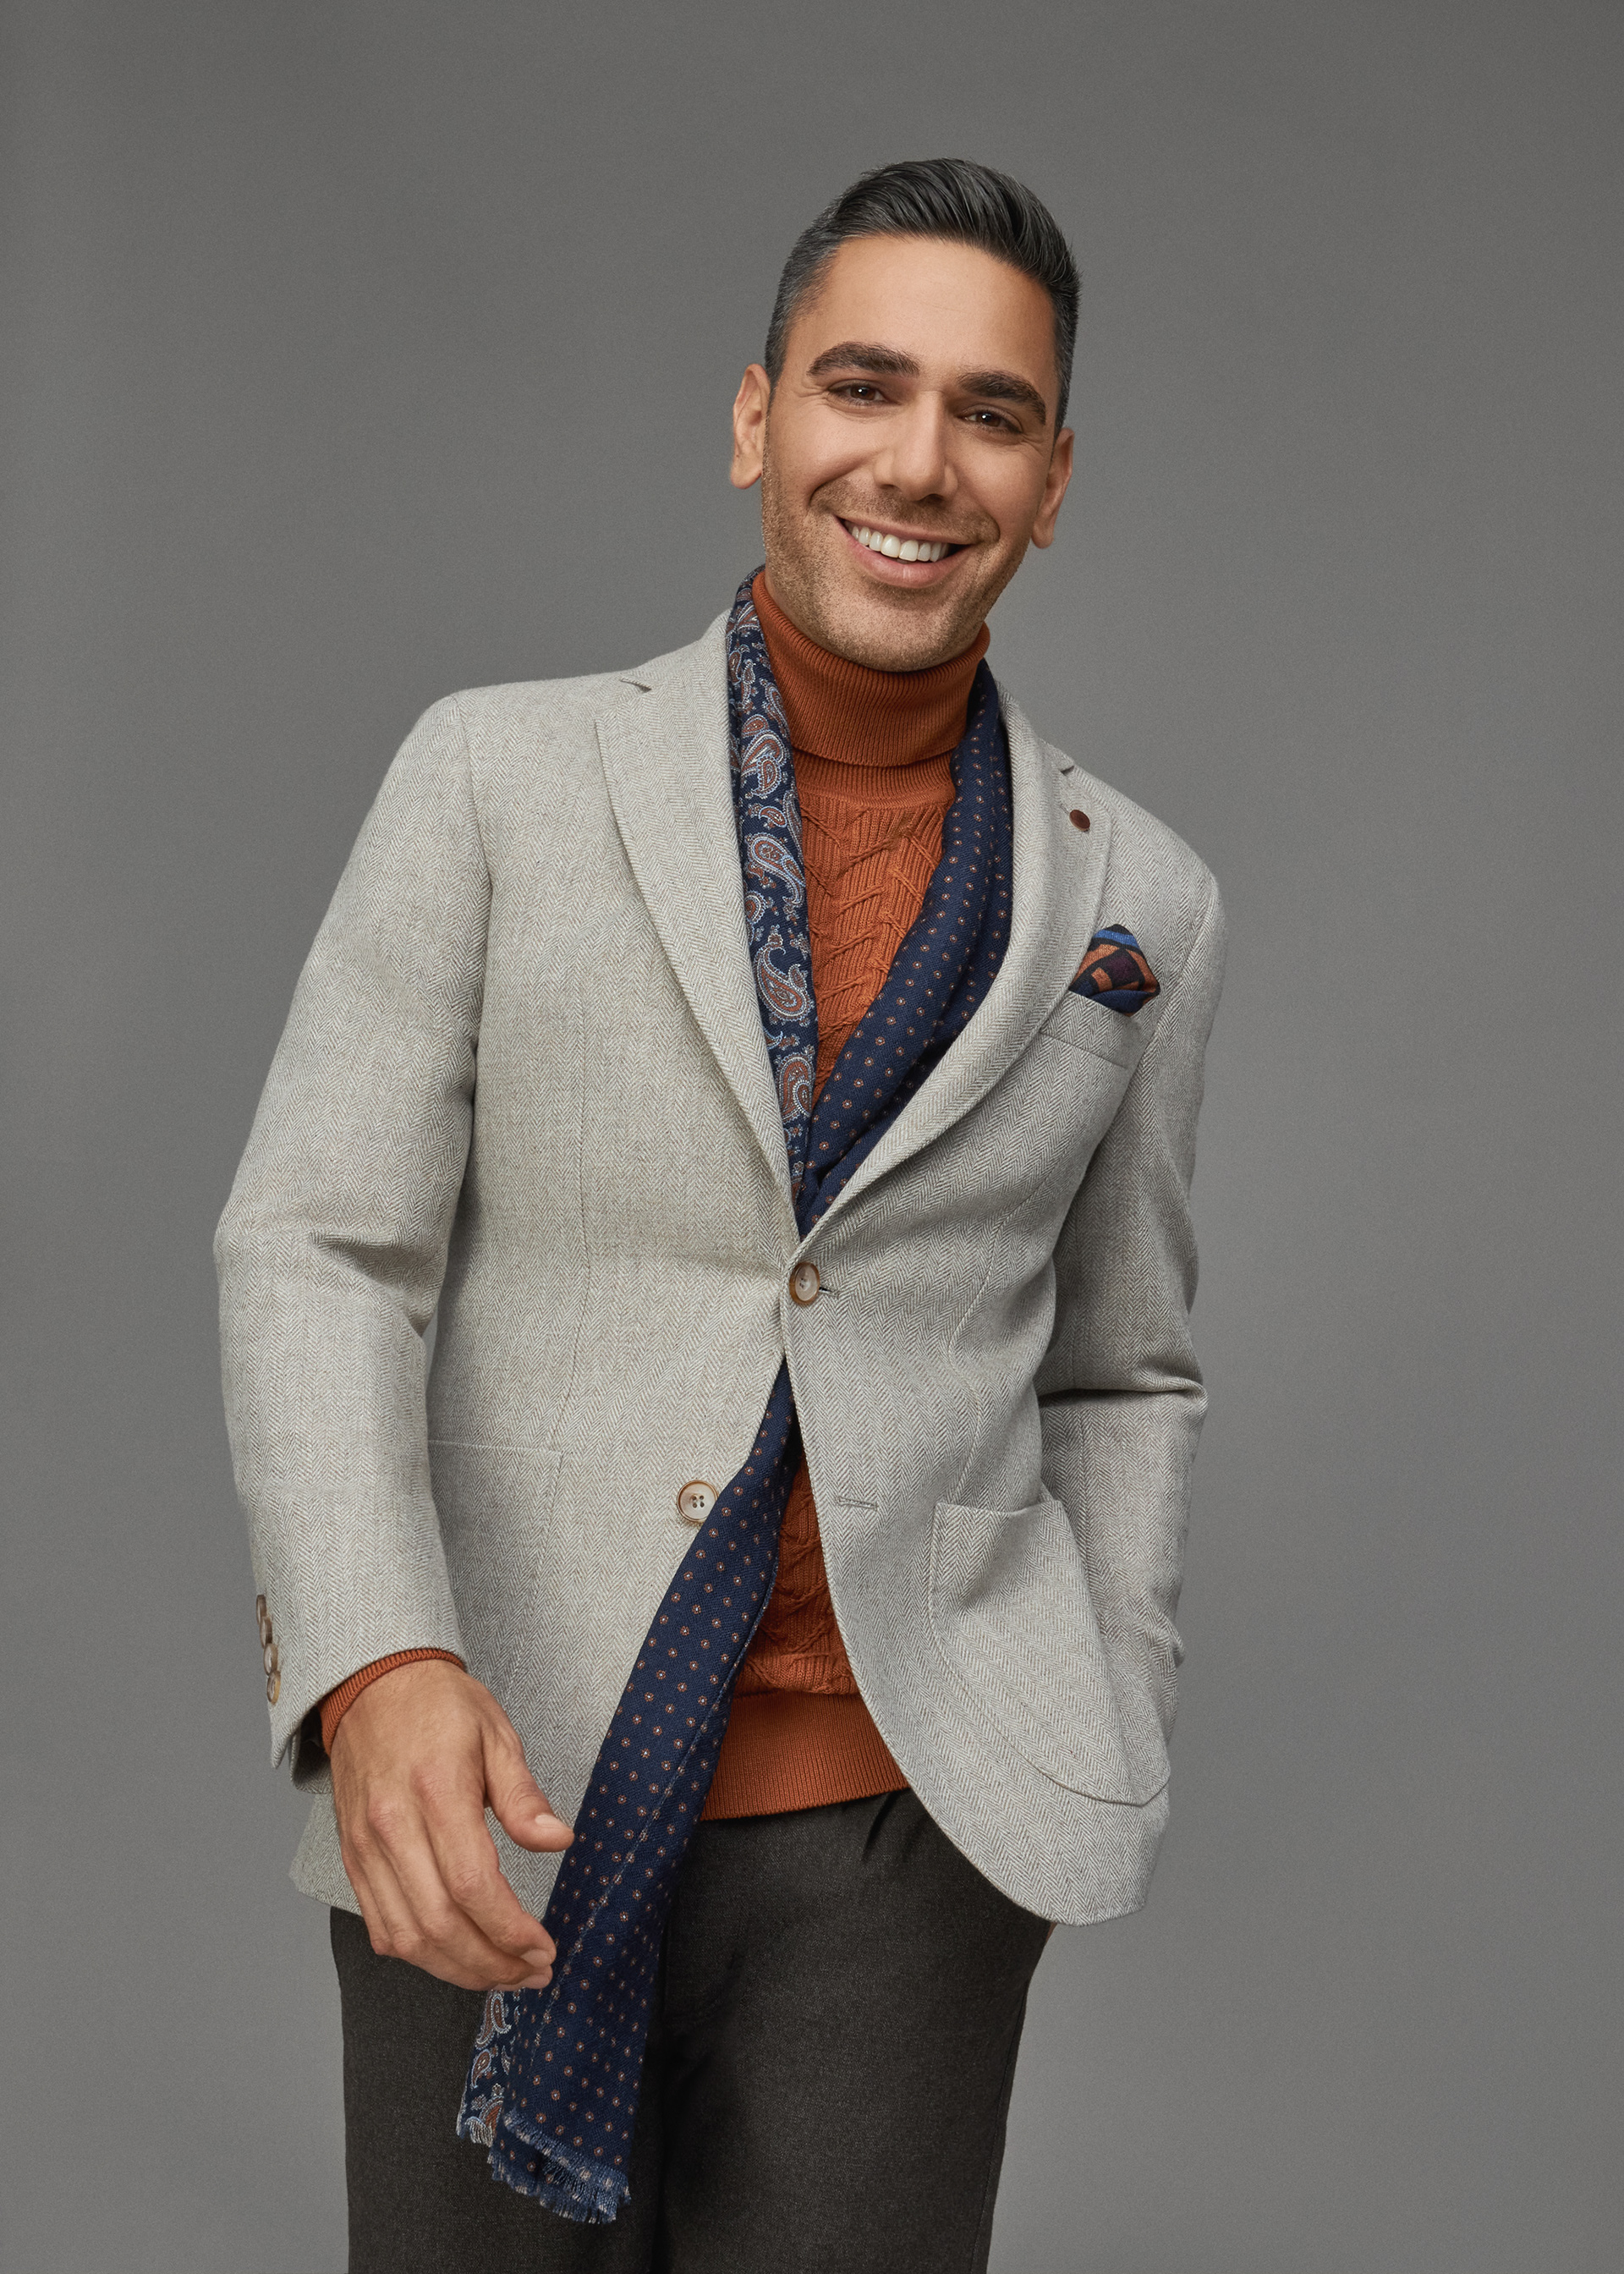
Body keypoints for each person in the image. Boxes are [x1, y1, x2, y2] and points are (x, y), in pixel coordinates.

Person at [217, 157, 1226, 2274]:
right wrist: (375, 1661)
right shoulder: (495, 777)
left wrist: (1095, 1715)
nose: (920, 462)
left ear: (1054, 483)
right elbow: (316, 1249)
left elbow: (1124, 1368)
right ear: (757, 418)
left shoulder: (1142, 898)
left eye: (992, 413)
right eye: (865, 386)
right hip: (494, 1790)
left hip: (909, 1848)